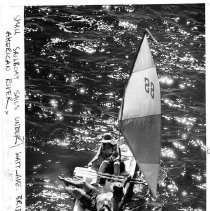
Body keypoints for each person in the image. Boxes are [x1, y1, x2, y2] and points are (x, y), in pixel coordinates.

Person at [58, 176, 126, 211]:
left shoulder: (115, 203)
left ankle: (73, 189)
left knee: (76, 190)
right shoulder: (119, 194)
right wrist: (126, 181)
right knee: (83, 183)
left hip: (93, 203)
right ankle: (66, 181)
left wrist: (106, 206)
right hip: (97, 194)